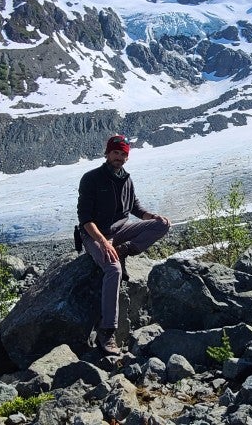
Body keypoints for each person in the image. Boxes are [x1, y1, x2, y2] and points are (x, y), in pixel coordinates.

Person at [77, 134, 170, 355]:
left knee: (162, 225)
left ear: (127, 157)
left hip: (120, 230)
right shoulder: (91, 179)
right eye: (116, 152)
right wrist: (103, 242)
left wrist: (151, 216)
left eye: (123, 154)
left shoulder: (126, 179)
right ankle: (107, 331)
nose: (119, 157)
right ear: (107, 153)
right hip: (94, 234)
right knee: (113, 269)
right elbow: (85, 219)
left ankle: (124, 250)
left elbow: (135, 208)